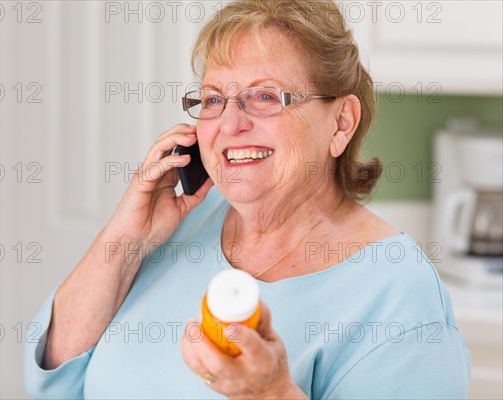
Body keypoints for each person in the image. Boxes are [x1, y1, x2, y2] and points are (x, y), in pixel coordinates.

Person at [25, 0, 471, 398]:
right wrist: (125, 236)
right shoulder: (180, 224)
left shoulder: (399, 295)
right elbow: (54, 381)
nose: (230, 123)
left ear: (340, 123)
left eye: (264, 96)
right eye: (214, 99)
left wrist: (270, 395)